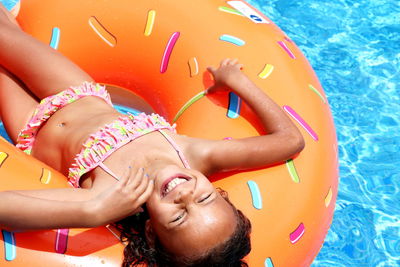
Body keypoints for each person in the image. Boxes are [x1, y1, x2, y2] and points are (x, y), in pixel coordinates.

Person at [0, 4, 304, 267]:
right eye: (205, 197)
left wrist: (92, 211)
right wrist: (239, 82)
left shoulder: (113, 197)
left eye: (178, 217)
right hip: (76, 91)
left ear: (150, 231)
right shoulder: (196, 155)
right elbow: (290, 142)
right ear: (217, 189)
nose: (186, 196)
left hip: (32, 127)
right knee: (7, 37)